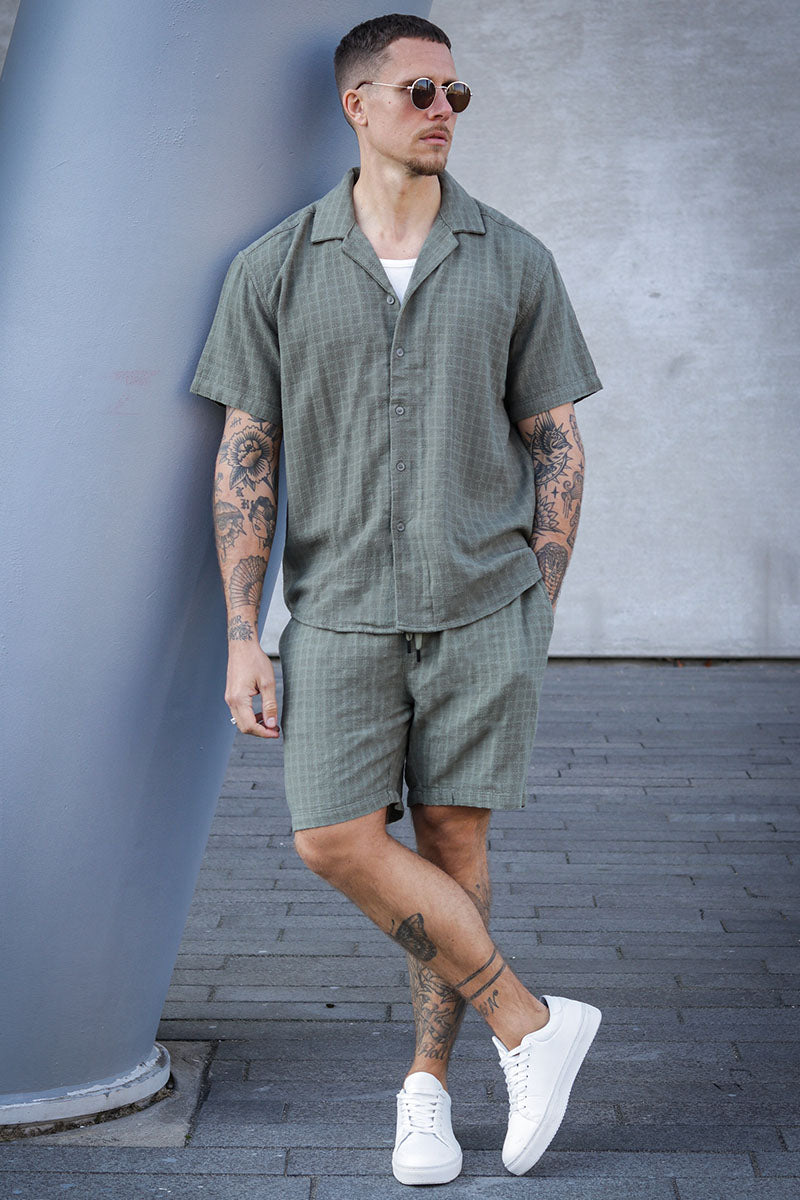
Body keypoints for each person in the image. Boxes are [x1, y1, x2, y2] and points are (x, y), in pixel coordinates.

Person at [191, 12, 602, 1186]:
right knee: (332, 839)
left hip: (484, 610)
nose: (442, 112)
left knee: (452, 845)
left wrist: (536, 606)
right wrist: (242, 637)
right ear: (356, 103)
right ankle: (529, 1021)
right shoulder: (273, 268)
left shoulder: (512, 259)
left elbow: (556, 444)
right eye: (420, 91)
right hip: (335, 616)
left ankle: (427, 1090)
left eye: (455, 95)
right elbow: (246, 454)